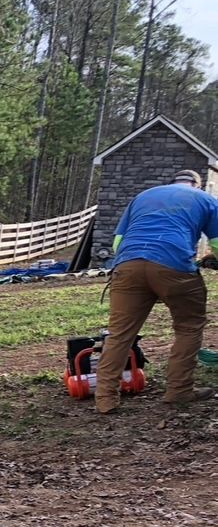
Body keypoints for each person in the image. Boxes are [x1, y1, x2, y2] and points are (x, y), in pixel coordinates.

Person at [95, 169, 218, 414]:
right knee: (188, 327)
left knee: (120, 333)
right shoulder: (206, 199)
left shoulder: (143, 196)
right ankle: (179, 390)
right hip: (174, 265)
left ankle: (105, 398)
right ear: (197, 184)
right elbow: (217, 242)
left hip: (128, 265)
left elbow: (117, 243)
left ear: (173, 182)